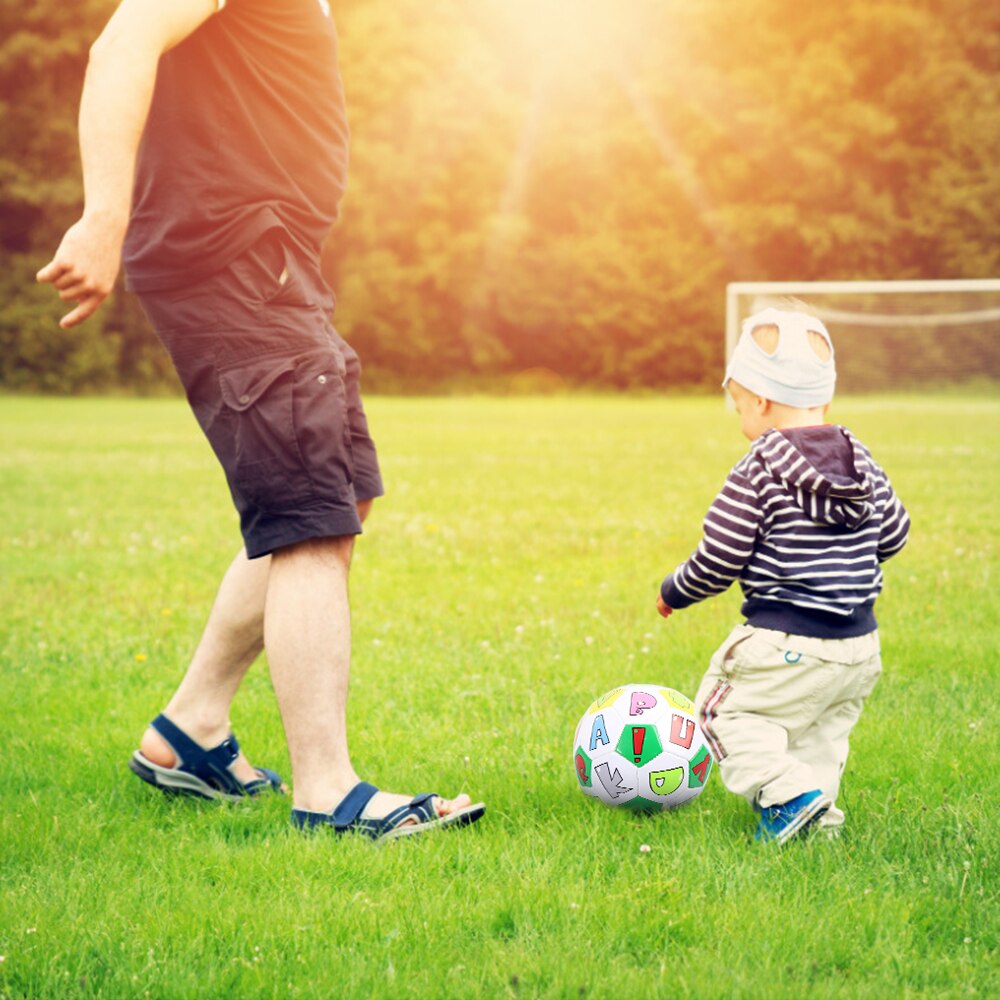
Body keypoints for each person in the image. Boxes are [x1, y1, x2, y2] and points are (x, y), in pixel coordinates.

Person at [37, 0, 483, 841]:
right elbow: (123, 40)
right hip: (238, 257)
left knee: (338, 499)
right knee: (312, 522)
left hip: (270, 263)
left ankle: (190, 729)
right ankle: (328, 792)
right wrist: (104, 214)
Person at [655, 306, 909, 844]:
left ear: (762, 401)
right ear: (825, 399)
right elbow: (894, 534)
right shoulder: (861, 460)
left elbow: (721, 556)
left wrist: (674, 590)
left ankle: (788, 797)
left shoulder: (759, 467)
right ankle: (816, 828)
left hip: (784, 640)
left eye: (740, 405)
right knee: (819, 735)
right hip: (859, 647)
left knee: (721, 716)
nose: (741, 417)